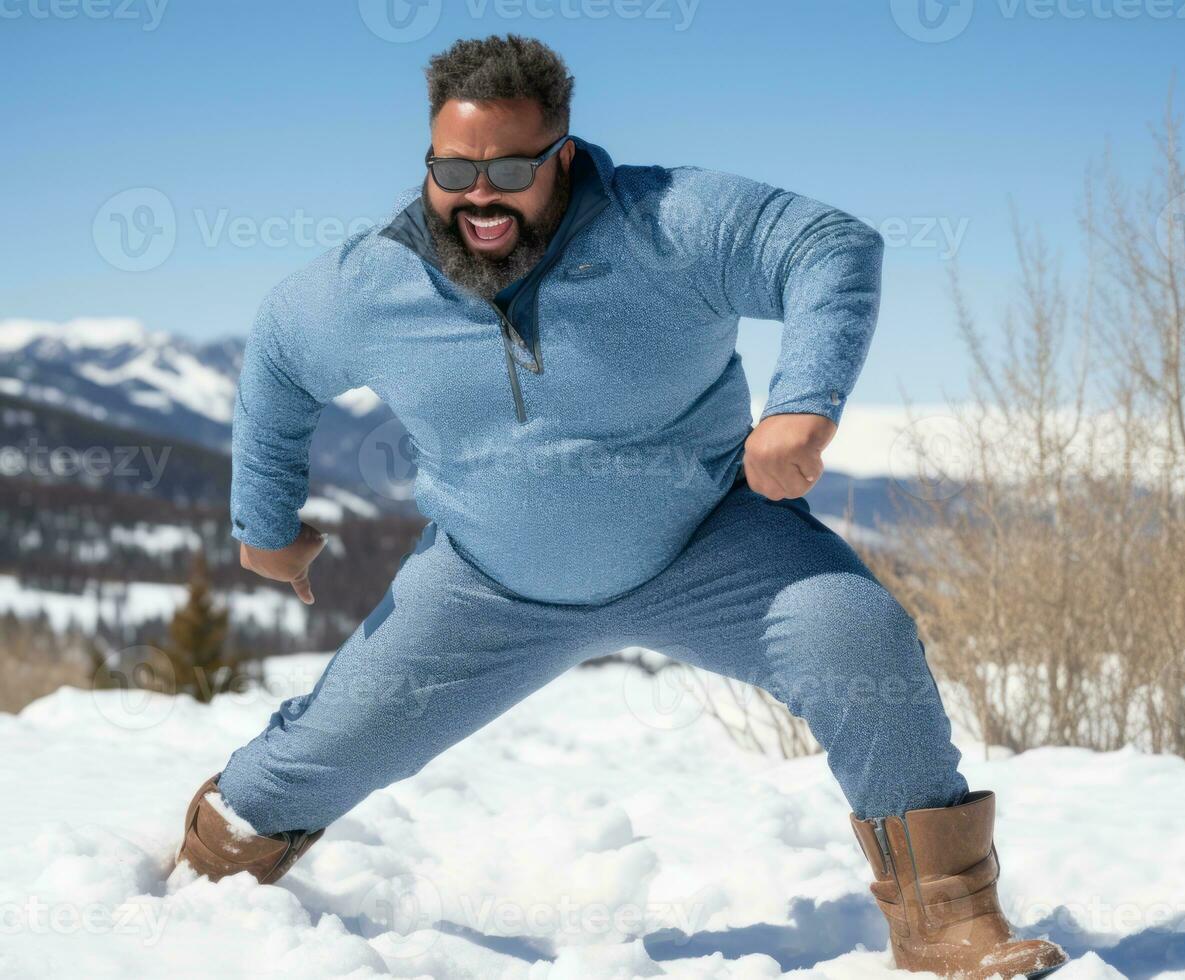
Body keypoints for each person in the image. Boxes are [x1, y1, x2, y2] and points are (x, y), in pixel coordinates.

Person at [174, 34, 1065, 979]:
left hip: (710, 544)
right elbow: (277, 359)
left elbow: (827, 245)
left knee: (855, 636)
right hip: (484, 584)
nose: (479, 194)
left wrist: (803, 403)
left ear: (562, 155)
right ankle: (190, 892)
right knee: (308, 763)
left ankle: (948, 926)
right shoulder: (369, 284)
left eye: (511, 168)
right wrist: (264, 528)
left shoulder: (666, 223)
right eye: (453, 168)